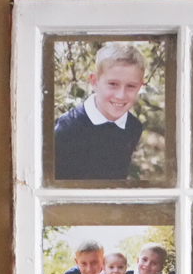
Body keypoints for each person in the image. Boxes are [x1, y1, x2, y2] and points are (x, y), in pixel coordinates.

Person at [54, 42, 146, 180]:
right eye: (113, 84)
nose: (120, 95)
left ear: (139, 87)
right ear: (94, 82)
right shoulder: (64, 130)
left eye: (131, 86)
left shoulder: (133, 127)